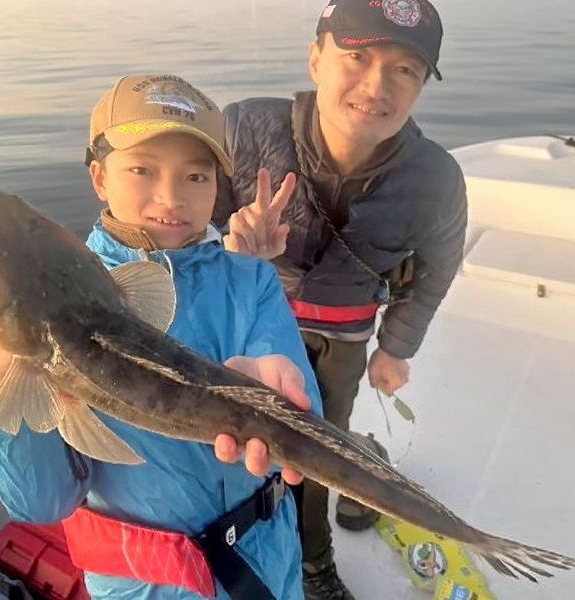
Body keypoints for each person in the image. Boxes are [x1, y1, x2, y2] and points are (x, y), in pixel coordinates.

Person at [0, 73, 323, 600]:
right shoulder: (35, 320)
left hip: (269, 560)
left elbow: (304, 419)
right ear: (99, 177)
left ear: (218, 186)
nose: (171, 197)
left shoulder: (250, 280)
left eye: (196, 176)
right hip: (144, 586)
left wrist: (281, 388)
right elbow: (41, 502)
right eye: (142, 169)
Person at [213, 1, 468, 598]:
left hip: (342, 338)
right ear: (315, 58)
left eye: (404, 69)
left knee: (318, 444)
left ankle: (315, 564)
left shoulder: (436, 179)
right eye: (358, 57)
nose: (377, 86)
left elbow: (435, 270)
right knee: (237, 438)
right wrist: (229, 247)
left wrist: (396, 347)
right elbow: (174, 228)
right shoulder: (241, 129)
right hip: (247, 328)